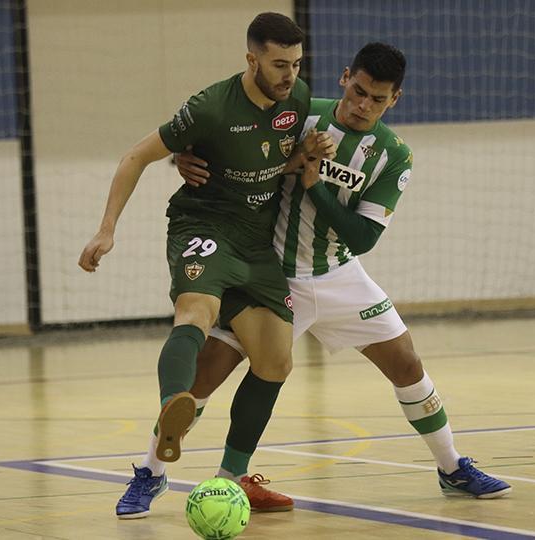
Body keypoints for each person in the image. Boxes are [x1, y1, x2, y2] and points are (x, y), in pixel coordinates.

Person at [174, 42, 512, 507]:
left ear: (395, 99)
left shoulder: (394, 155)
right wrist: (185, 155)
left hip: (339, 273)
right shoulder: (299, 115)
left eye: (377, 99)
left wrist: (315, 187)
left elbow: (363, 237)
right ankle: (152, 472)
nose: (362, 105)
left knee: (406, 362)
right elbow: (232, 144)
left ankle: (451, 467)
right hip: (272, 274)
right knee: (207, 371)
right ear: (345, 77)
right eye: (358, 91)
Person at [78, 13, 333, 519]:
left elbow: (269, 162)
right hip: (204, 226)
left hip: (255, 243)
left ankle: (230, 479)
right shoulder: (210, 106)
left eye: (296, 64)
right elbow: (135, 157)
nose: (290, 75)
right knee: (196, 311)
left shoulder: (298, 98)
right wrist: (106, 229)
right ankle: (170, 416)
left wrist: (306, 155)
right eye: (279, 64)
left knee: (276, 362)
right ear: (251, 60)